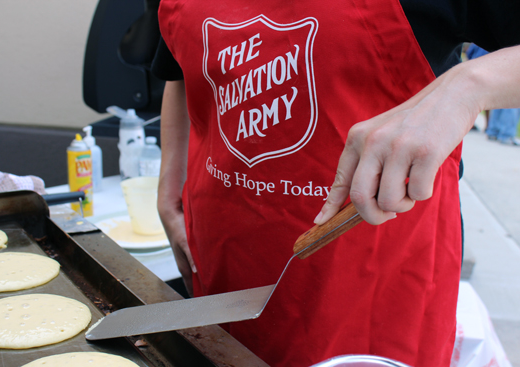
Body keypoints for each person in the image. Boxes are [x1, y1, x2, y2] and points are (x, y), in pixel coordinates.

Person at [152, 1, 520, 366]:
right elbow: (180, 67)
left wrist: (468, 85)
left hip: (372, 276)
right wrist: (170, 183)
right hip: (224, 253)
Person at [466, 44, 520, 146]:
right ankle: (506, 134)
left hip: (488, 71)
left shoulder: (484, 38)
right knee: (513, 101)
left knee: (497, 99)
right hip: (505, 70)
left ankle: (493, 131)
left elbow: (469, 52)